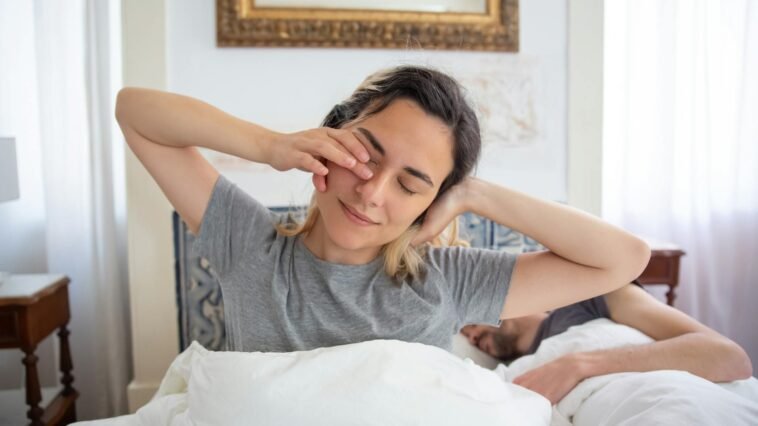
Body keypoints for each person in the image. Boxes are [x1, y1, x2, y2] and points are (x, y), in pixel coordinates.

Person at [115, 65, 650, 353]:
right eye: (365, 156)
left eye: (412, 184)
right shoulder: (249, 245)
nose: (372, 193)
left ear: (432, 202)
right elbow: (134, 110)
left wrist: (474, 194)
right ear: (330, 134)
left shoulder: (448, 280)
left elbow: (623, 259)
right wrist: (269, 145)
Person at [461, 283, 754, 404]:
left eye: (470, 323)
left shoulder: (593, 299)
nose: (472, 337)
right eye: (466, 338)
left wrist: (579, 365)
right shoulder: (509, 375)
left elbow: (730, 357)